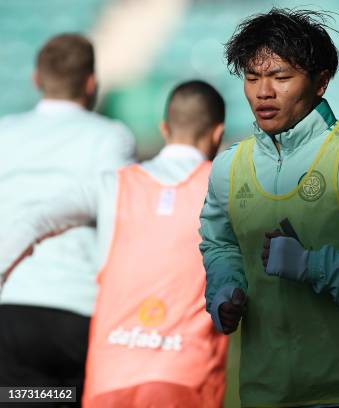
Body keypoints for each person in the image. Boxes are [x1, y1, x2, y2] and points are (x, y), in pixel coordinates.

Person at [200, 8, 339, 407]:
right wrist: (225, 291)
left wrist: (312, 265)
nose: (263, 92)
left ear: (321, 81)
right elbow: (220, 245)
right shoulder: (228, 166)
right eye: (252, 78)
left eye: (281, 77)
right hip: (266, 394)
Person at [0, 80, 229, 407]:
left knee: (20, 399)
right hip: (183, 378)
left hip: (110, 378)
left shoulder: (114, 184)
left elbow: (32, 220)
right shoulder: (226, 190)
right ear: (218, 133)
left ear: (164, 129)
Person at [0, 33, 135, 405]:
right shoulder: (111, 137)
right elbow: (118, 214)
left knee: (20, 400)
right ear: (91, 82)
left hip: (11, 303)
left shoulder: (4, 132)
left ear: (35, 79)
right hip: (77, 308)